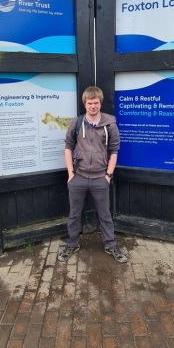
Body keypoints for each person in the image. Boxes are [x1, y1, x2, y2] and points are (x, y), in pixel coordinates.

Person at [58, 86, 127, 263]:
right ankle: (72, 244)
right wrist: (70, 174)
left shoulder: (110, 124)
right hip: (78, 177)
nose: (93, 106)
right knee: (74, 214)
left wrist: (108, 175)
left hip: (100, 178)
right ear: (85, 104)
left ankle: (111, 245)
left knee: (105, 215)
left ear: (100, 103)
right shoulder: (76, 123)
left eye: (96, 103)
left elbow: (114, 151)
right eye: (90, 103)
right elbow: (68, 147)